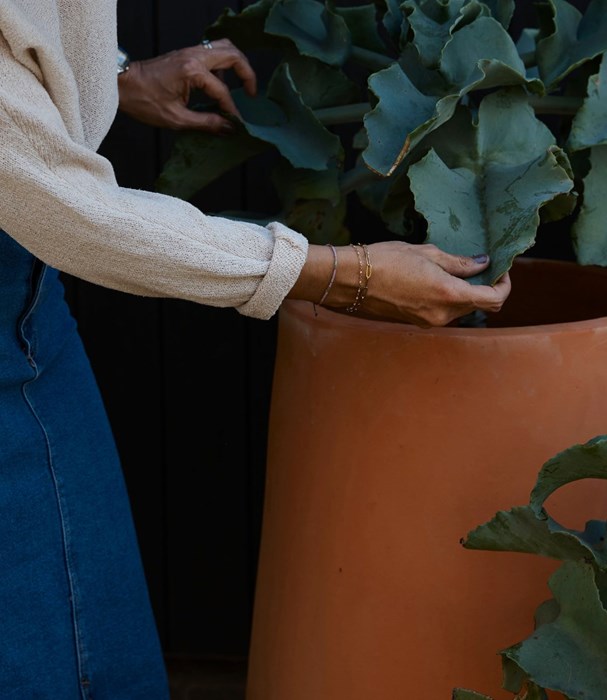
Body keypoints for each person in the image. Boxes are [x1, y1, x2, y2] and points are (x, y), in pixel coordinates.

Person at [0, 2, 512, 698]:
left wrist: (111, 75)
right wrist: (340, 274)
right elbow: (68, 212)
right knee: (68, 659)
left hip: (27, 300)